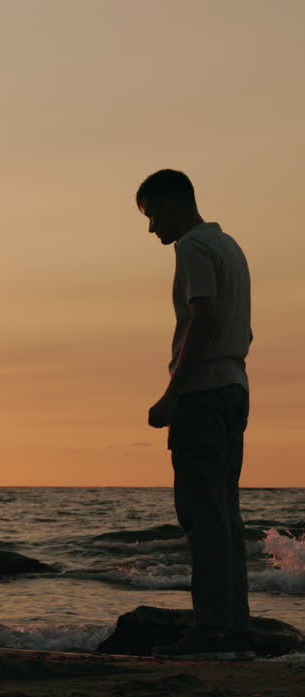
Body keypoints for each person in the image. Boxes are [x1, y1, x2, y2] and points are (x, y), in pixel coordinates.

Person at [137, 170, 254, 660]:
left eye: (151, 214)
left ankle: (212, 631)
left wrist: (172, 393)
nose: (150, 229)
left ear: (173, 203)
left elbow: (202, 317)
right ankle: (235, 628)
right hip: (234, 385)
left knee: (202, 513)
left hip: (204, 390)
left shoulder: (193, 247)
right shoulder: (230, 246)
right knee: (226, 512)